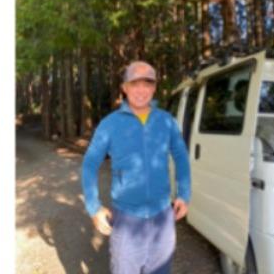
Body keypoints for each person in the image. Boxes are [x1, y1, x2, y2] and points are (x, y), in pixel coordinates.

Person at [81, 61, 191, 274]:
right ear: (125, 87)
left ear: (155, 87)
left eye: (147, 84)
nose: (141, 90)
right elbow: (89, 165)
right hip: (126, 219)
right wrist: (93, 207)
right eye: (135, 83)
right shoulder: (110, 124)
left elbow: (181, 155)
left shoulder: (166, 121)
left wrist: (184, 194)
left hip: (162, 218)